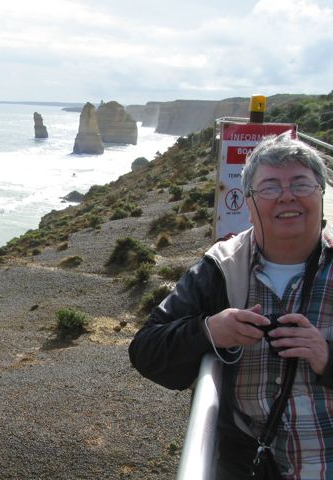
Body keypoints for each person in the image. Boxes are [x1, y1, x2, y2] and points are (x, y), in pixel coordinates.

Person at [129, 133, 333, 479]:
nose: (286, 195)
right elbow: (145, 350)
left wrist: (326, 358)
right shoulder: (222, 268)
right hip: (249, 463)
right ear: (249, 204)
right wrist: (208, 331)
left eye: (301, 183)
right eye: (269, 187)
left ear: (322, 194)